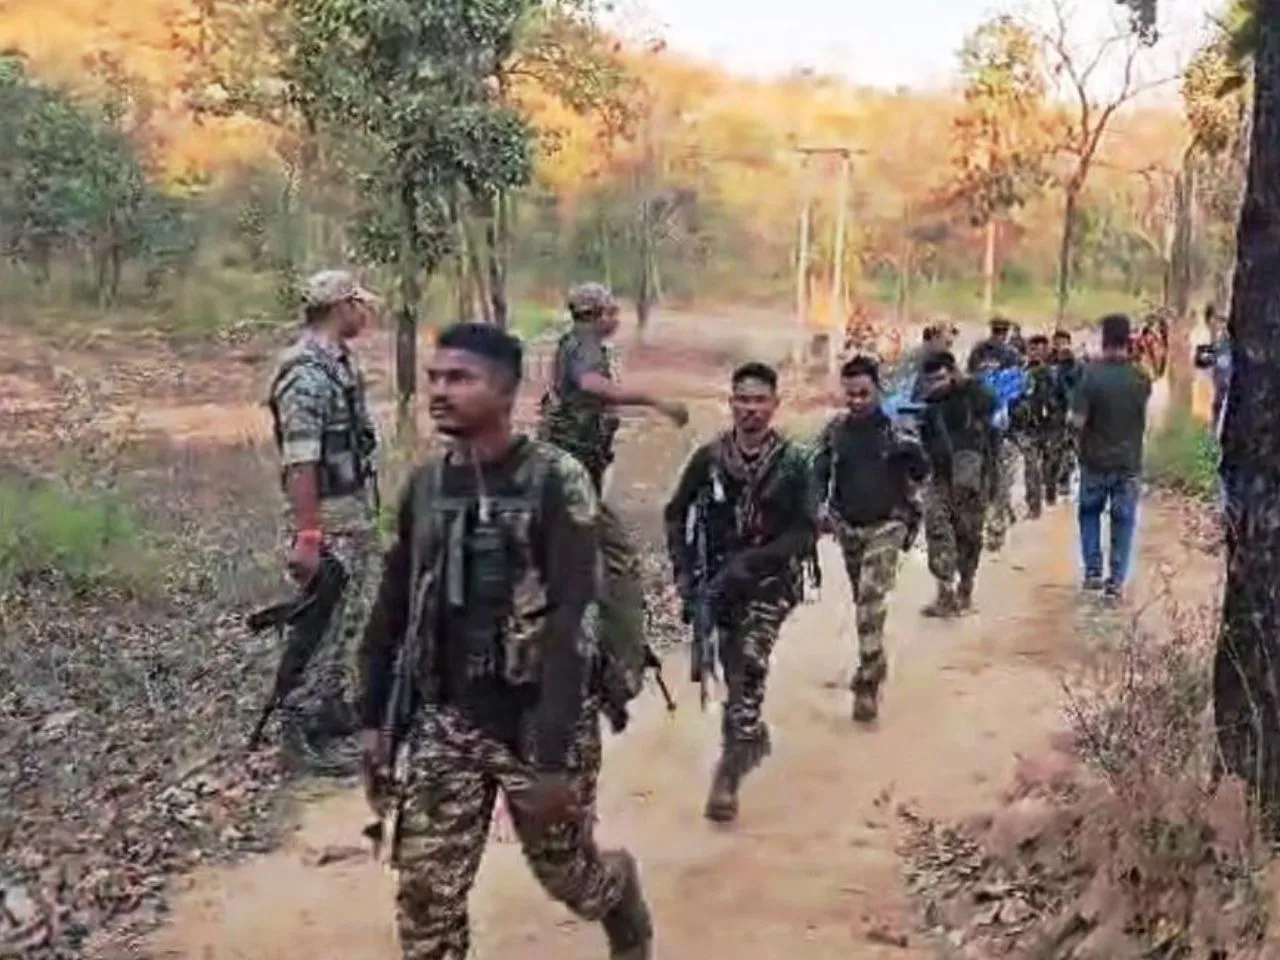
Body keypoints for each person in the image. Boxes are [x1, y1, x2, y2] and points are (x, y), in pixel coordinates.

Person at [358, 323, 653, 960]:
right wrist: (373, 717)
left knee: (570, 877)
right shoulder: (427, 488)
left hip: (538, 719)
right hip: (448, 722)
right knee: (425, 897)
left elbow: (575, 619)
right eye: (435, 378)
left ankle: (621, 897)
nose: (439, 391)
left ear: (506, 391)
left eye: (459, 379)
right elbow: (392, 605)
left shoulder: (556, 480)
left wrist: (549, 760)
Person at [663, 362, 814, 823]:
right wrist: (685, 575)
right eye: (742, 400)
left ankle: (727, 776)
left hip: (770, 585)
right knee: (733, 671)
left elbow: (805, 533)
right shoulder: (709, 459)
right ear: (731, 404)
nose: (750, 409)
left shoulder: (794, 462)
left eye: (759, 401)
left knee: (748, 663)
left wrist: (755, 561)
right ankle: (750, 736)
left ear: (774, 405)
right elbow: (675, 513)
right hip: (717, 586)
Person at [266, 269, 381, 776]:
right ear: (340, 307)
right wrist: (310, 534)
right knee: (322, 623)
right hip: (330, 517)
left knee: (348, 619)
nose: (366, 312)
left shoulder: (336, 364)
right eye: (359, 304)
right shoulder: (306, 374)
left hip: (352, 510)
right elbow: (301, 461)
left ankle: (329, 709)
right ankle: (300, 733)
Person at [812, 355, 929, 723]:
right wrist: (817, 507)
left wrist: (910, 454)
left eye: (864, 393)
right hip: (849, 526)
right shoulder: (835, 431)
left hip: (888, 524)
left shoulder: (897, 429)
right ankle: (874, 663)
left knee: (870, 599)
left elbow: (922, 471)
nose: (858, 401)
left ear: (878, 390)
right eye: (851, 394)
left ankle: (867, 683)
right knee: (864, 604)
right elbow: (816, 471)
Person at [1069, 313, 1152, 602]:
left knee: (1089, 513)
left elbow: (1077, 421)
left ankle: (1093, 571)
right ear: (1128, 339)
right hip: (1129, 463)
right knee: (1124, 521)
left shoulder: (1090, 375)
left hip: (1094, 461)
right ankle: (1116, 581)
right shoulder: (1141, 378)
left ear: (1103, 338)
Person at [916, 351, 997, 618]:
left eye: (941, 377)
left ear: (952, 372)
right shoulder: (928, 404)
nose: (935, 384)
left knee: (969, 535)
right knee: (937, 528)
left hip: (973, 477)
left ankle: (965, 588)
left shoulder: (974, 393)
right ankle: (944, 591)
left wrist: (962, 384)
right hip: (939, 476)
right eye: (930, 380)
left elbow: (991, 409)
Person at [1010, 334, 1061, 518]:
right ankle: (1034, 506)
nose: (1036, 353)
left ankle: (1051, 493)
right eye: (1033, 349)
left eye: (1040, 349)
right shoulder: (1021, 373)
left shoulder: (1053, 373)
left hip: (1050, 426)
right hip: (1028, 426)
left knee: (1051, 463)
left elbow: (1063, 398)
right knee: (1031, 465)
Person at [1050, 329, 1082, 496]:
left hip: (1072, 411)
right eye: (1058, 342)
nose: (1061, 346)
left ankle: (1064, 480)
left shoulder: (1078, 366)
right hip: (1053, 412)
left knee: (1073, 447)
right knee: (1055, 448)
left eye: (1064, 342)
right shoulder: (1047, 362)